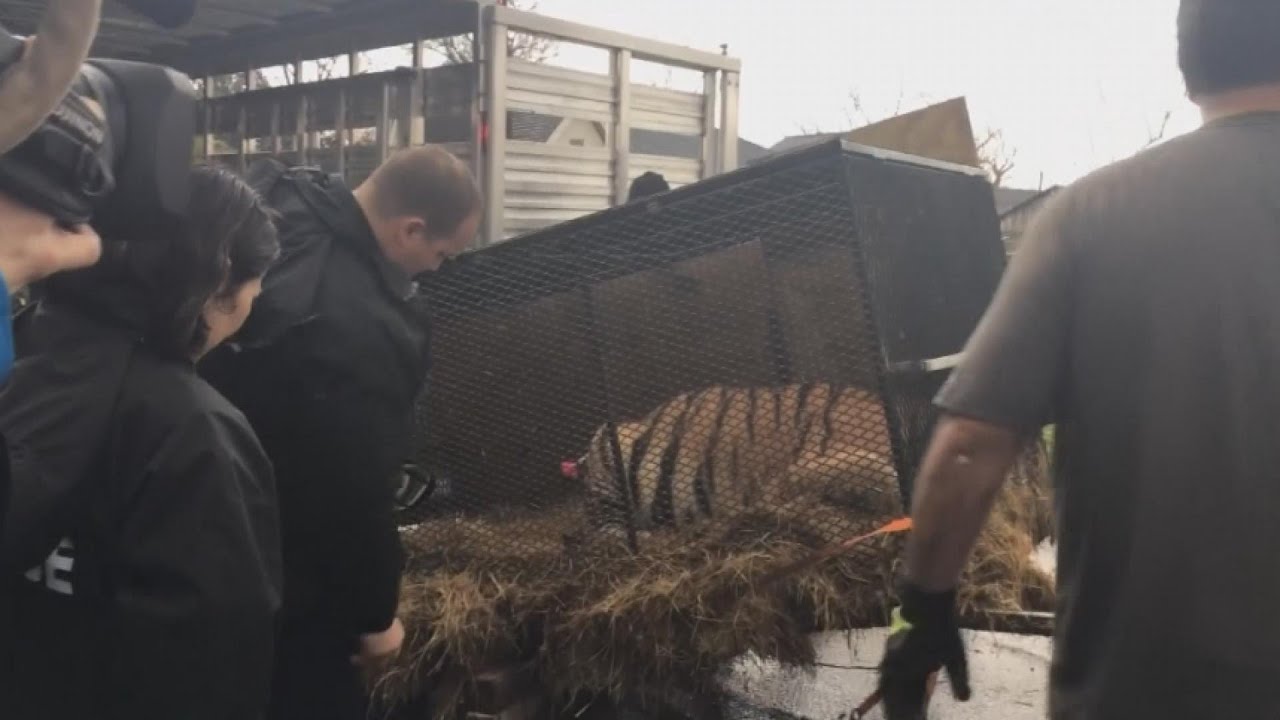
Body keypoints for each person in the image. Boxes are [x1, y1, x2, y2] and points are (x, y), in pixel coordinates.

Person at [875, 2, 1280, 719]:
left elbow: (968, 450)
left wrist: (920, 617)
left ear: (1189, 71)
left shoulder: (1092, 214)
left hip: (1133, 696)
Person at [200, 145, 482, 720]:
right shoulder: (362, 325)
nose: (435, 269)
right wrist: (375, 617)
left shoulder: (280, 205)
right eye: (441, 254)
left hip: (199, 533)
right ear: (411, 229)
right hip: (293, 580)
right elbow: (356, 489)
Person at [0, 165, 282, 719]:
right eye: (257, 280)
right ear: (220, 275)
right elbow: (209, 668)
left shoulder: (16, 363)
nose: (259, 297)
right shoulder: (195, 434)